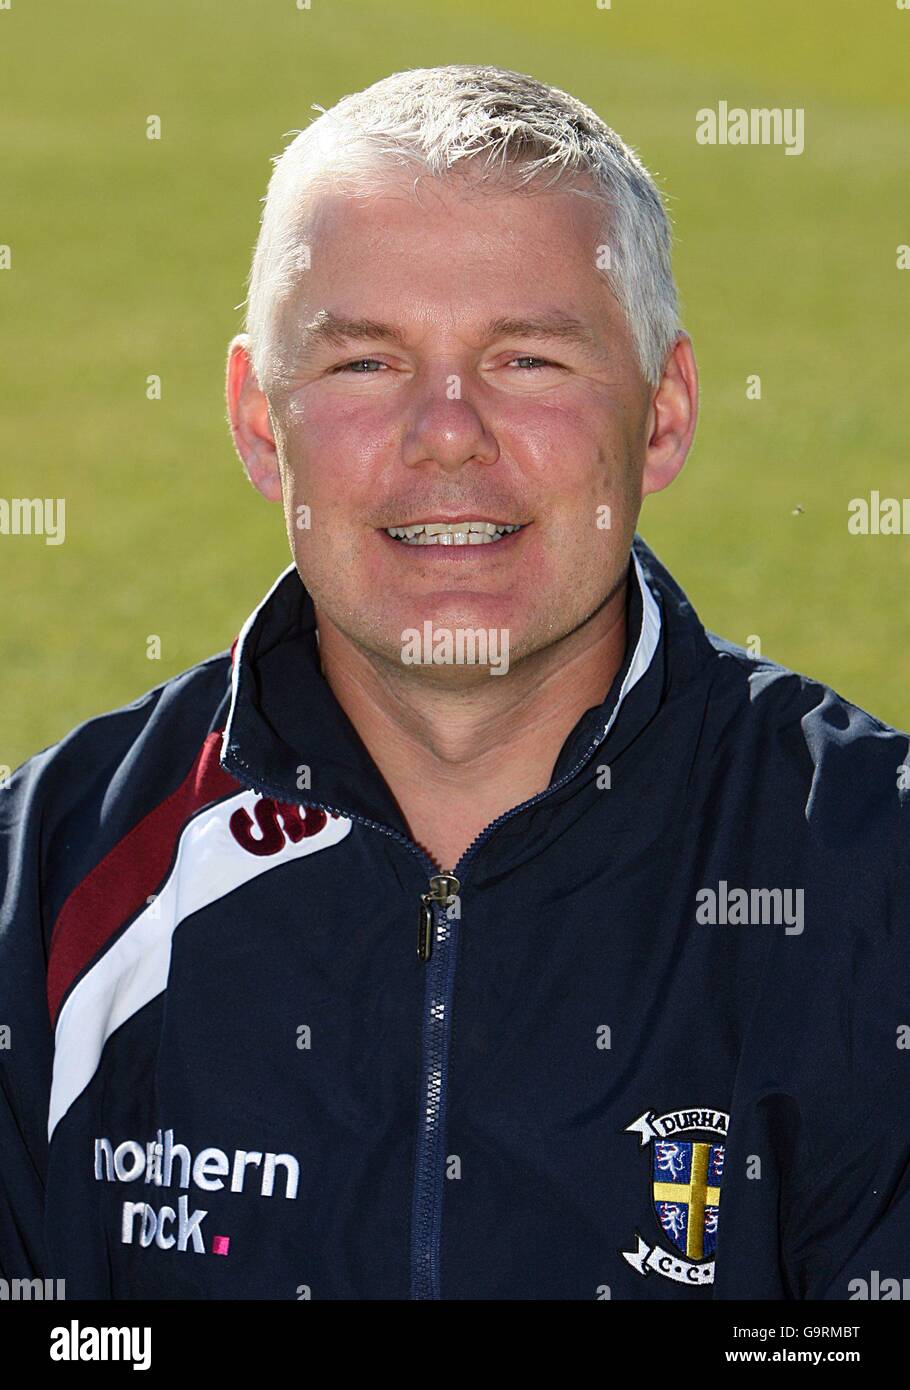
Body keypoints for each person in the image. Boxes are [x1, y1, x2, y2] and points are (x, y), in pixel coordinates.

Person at [1, 64, 908, 1301]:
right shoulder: (42, 890)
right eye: (365, 364)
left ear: (662, 414)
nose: (445, 432)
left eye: (527, 359)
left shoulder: (874, 879)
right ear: (262, 426)